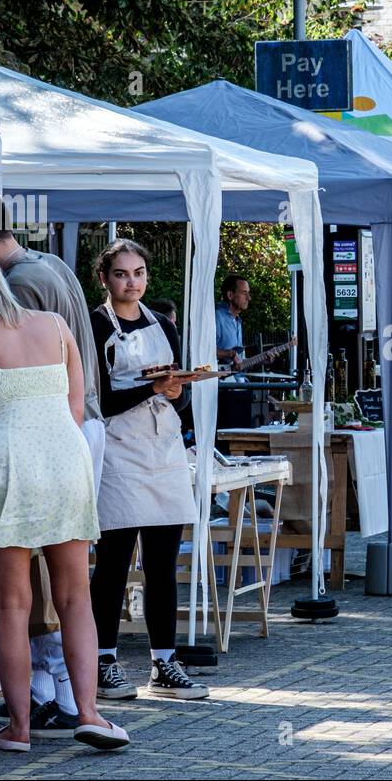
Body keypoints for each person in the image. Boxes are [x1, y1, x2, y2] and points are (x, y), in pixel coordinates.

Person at [0, 251, 127, 751]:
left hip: (7, 457)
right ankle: (88, 713)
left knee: (13, 604)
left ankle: (19, 729)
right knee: (75, 598)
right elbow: (76, 401)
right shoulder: (54, 323)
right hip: (66, 455)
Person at [89, 240, 210, 700]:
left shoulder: (163, 325)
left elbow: (177, 393)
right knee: (114, 564)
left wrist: (179, 391)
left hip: (163, 450)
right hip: (119, 450)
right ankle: (103, 661)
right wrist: (153, 389)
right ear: (104, 279)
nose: (132, 282)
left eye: (138, 273)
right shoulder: (96, 325)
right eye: (121, 274)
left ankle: (164, 663)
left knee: (163, 563)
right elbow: (98, 400)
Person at [216, 274, 255, 429]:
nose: (248, 298)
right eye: (244, 293)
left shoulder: (238, 321)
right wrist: (230, 354)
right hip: (221, 385)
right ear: (230, 295)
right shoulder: (217, 316)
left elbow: (239, 362)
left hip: (236, 383)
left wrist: (260, 360)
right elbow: (203, 350)